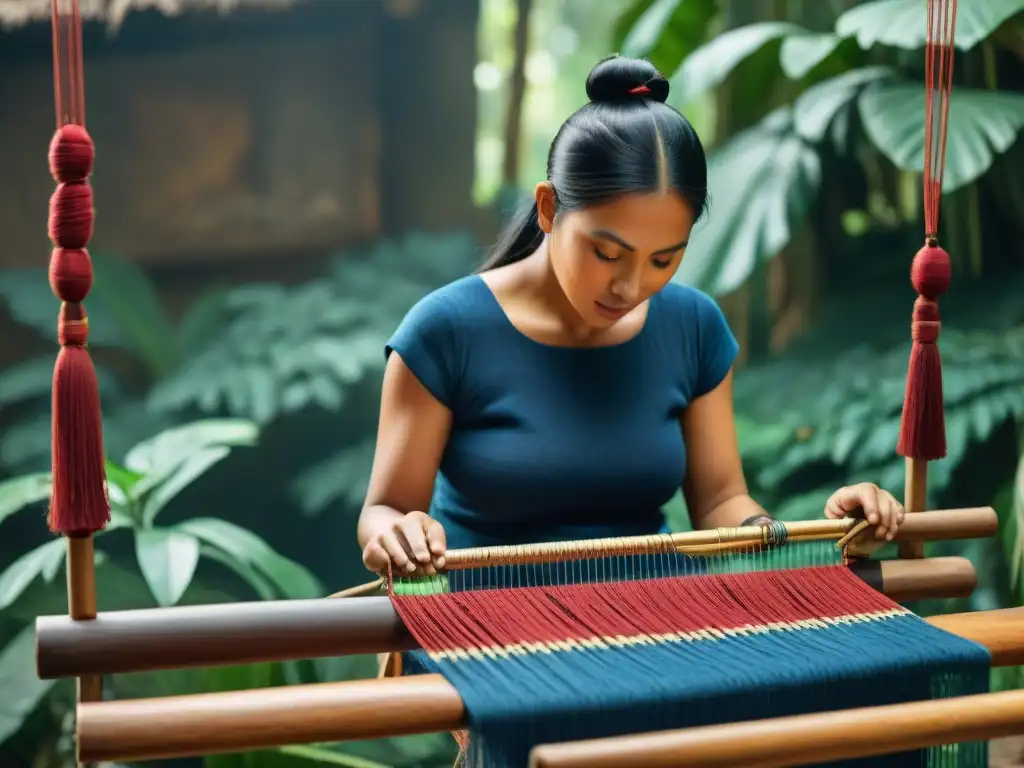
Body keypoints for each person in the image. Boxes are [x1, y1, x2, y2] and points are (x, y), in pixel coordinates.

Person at [357, 55, 904, 578]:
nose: (631, 286)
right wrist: (396, 535)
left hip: (655, 623)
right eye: (607, 253)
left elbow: (720, 501)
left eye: (664, 260)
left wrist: (822, 532)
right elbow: (385, 511)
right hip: (487, 634)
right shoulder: (445, 331)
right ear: (548, 208)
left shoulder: (693, 327)